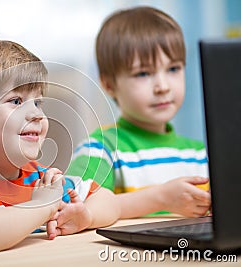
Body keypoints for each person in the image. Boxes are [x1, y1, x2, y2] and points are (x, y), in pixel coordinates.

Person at [0, 39, 120, 267]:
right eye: (16, 101)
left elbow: (108, 200)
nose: (36, 114)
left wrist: (86, 216)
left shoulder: (39, 180)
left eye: (38, 102)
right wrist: (42, 206)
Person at [67, 6, 211, 218]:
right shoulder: (101, 149)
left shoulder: (199, 154)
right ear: (109, 84)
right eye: (143, 73)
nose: (163, 86)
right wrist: (161, 198)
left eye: (173, 69)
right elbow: (79, 207)